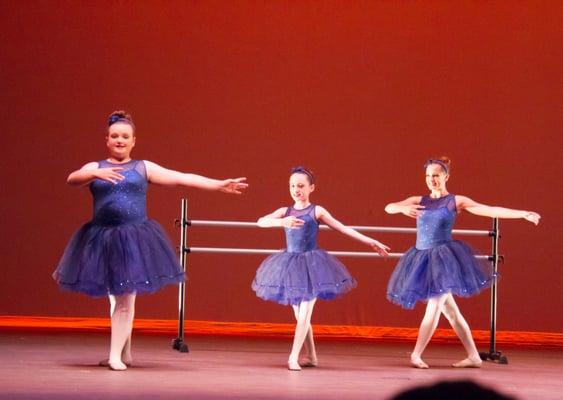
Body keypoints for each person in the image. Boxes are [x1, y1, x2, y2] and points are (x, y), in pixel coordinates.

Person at [52, 110, 248, 371]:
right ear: (107, 140)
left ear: (134, 141)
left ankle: (114, 356)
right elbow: (71, 179)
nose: (119, 140)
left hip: (133, 239)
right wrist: (94, 175)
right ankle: (126, 352)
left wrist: (218, 184)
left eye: (125, 136)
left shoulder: (143, 168)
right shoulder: (94, 167)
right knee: (116, 298)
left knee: (125, 298)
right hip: (104, 239)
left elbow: (182, 177)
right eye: (114, 136)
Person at [385, 157, 540, 369]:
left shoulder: (455, 201)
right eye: (428, 176)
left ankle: (416, 354)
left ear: (446, 176)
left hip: (442, 260)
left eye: (436, 175)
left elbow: (489, 209)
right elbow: (388, 207)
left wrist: (523, 213)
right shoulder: (419, 200)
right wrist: (402, 209)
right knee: (451, 312)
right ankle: (474, 356)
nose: (431, 180)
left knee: (434, 305)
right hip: (421, 257)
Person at [252, 166, 390, 371]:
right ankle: (312, 357)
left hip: (312, 267)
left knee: (305, 313)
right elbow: (260, 222)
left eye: (300, 186)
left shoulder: (317, 211)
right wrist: (282, 221)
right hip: (289, 266)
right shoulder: (285, 211)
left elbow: (343, 228)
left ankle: (293, 357)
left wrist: (371, 242)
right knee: (300, 315)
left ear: (311, 188)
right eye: (292, 186)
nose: (296, 190)